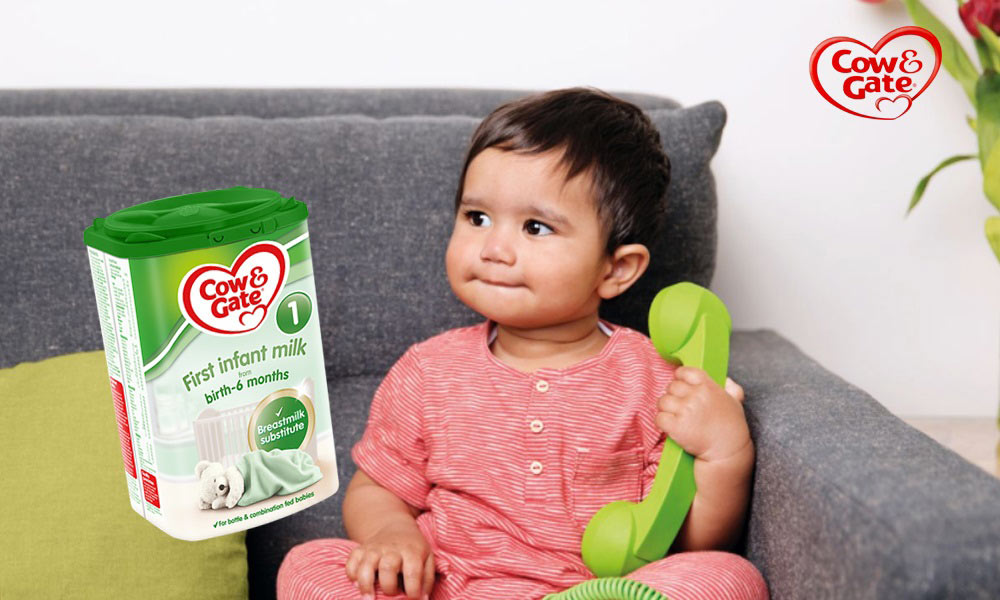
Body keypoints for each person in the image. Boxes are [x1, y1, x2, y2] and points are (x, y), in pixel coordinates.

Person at [276, 87, 769, 600]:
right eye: (477, 218)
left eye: (535, 227)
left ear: (616, 269)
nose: (494, 248)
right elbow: (378, 486)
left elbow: (689, 541)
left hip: (591, 590)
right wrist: (390, 534)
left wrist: (724, 451)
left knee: (726, 577)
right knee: (309, 566)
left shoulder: (652, 379)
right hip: (447, 585)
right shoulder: (428, 371)